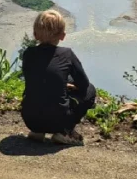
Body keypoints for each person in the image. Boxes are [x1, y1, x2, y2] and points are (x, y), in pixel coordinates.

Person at [20, 9, 96, 145]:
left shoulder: (28, 54)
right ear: (62, 35)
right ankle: (64, 132)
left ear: (35, 35)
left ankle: (38, 132)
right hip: (58, 121)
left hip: (30, 119)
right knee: (91, 90)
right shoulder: (67, 54)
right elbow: (84, 85)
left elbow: (39, 78)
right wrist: (68, 86)